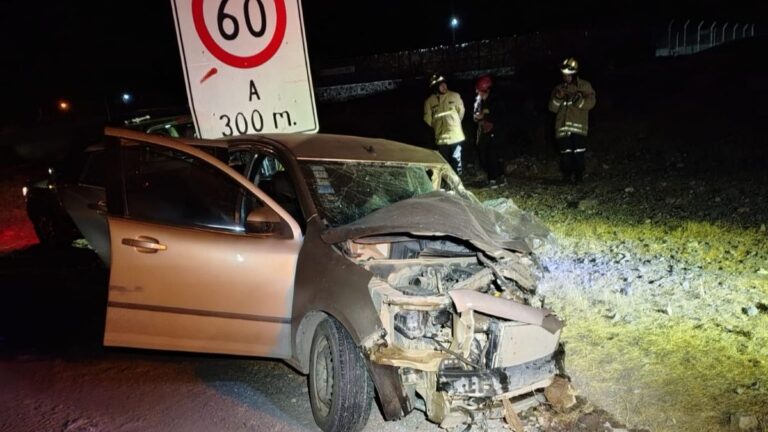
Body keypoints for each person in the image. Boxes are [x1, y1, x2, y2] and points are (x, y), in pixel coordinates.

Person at [548, 57, 596, 184]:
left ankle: (579, 178)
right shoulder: (558, 88)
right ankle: (567, 178)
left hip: (578, 128)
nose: (566, 77)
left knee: (578, 154)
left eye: (568, 75)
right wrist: (558, 97)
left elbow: (591, 103)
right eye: (564, 75)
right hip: (562, 129)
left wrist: (576, 98)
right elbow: (552, 108)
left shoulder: (584, 86)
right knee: (565, 154)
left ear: (574, 73)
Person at [423, 73, 465, 174]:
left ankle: (457, 180)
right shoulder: (429, 101)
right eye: (440, 85)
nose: (444, 86)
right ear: (435, 87)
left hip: (456, 136)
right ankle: (446, 180)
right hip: (441, 138)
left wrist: (454, 124)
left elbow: (461, 112)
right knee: (443, 162)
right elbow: (428, 119)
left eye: (444, 84)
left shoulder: (455, 96)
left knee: (456, 159)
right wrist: (437, 127)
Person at [473, 75, 504, 186]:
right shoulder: (481, 101)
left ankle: (494, 179)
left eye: (479, 89)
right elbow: (478, 114)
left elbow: (498, 115)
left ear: (485, 89)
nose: (477, 92)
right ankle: (497, 177)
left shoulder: (495, 101)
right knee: (485, 154)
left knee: (492, 155)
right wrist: (478, 117)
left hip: (495, 132)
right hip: (485, 131)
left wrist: (484, 116)